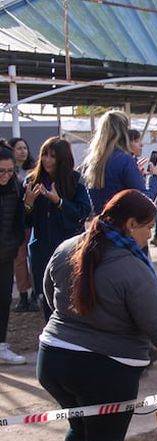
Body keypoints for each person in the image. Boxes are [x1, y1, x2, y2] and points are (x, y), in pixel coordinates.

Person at [40, 189, 157, 441]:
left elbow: (48, 298)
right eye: (147, 227)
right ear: (129, 223)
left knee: (80, 426)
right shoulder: (132, 270)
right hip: (107, 368)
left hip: (52, 360)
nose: (150, 236)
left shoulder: (67, 248)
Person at [23, 137, 92, 320]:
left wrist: (59, 202)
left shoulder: (76, 180)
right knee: (47, 298)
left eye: (53, 156)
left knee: (72, 295)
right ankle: (52, 337)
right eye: (44, 155)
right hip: (41, 249)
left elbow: (83, 211)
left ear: (62, 159)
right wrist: (28, 204)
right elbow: (25, 221)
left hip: (70, 247)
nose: (47, 160)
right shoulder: (32, 181)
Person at [82, 110, 157, 218]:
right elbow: (145, 201)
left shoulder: (91, 162)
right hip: (122, 227)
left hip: (101, 225)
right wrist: (155, 178)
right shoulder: (125, 160)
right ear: (123, 132)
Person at [0, 148, 27, 364]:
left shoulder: (16, 187)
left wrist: (15, 242)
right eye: (1, 171)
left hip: (5, 254)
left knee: (3, 300)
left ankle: (1, 346)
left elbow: (20, 219)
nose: (5, 176)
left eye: (9, 171)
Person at [9, 138, 35, 312]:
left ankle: (36, 294)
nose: (22, 151)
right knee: (19, 259)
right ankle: (23, 295)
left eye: (25, 148)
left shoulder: (34, 170)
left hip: (32, 221)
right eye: (18, 148)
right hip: (17, 222)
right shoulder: (9, 172)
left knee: (33, 258)